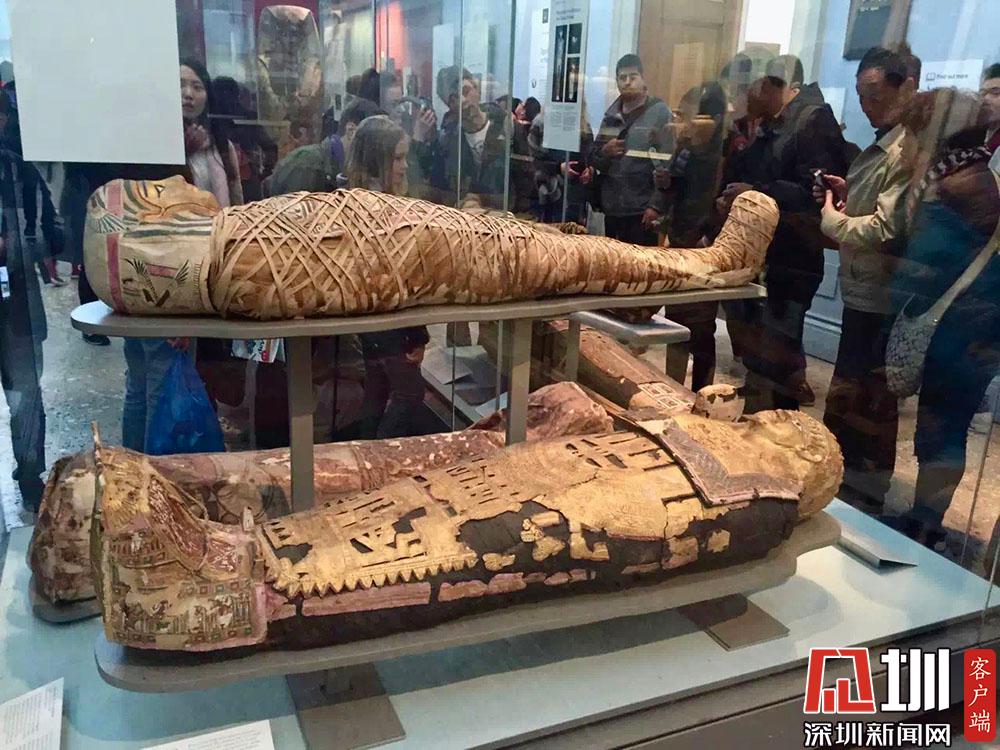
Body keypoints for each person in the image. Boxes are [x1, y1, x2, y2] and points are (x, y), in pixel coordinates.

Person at [887, 87, 1000, 549]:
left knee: (942, 430)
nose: (905, 146)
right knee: (948, 426)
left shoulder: (950, 190)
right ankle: (926, 520)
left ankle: (925, 526)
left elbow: (920, 270)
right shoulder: (979, 177)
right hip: (975, 327)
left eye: (912, 135)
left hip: (955, 331)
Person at [121, 60, 243, 454]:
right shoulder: (152, 146)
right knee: (154, 387)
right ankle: (145, 476)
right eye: (179, 85)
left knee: (149, 384)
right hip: (163, 283)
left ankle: (132, 468)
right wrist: (177, 306)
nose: (189, 94)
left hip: (199, 277)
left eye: (196, 86)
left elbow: (231, 212)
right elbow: (160, 226)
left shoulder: (218, 145)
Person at [815, 47, 918, 512]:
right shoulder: (889, 142)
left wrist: (834, 222)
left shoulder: (906, 148)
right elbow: (879, 206)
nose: (865, 105)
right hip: (865, 287)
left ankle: (863, 494)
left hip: (883, 291)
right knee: (853, 391)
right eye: (860, 95)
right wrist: (848, 193)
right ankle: (844, 482)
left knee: (870, 399)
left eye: (874, 94)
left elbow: (887, 228)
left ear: (907, 88)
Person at [722, 56, 852, 410]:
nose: (746, 94)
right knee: (766, 348)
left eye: (752, 86)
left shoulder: (812, 121)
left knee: (778, 353)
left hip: (795, 256)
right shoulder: (774, 124)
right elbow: (754, 167)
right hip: (773, 254)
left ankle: (778, 424)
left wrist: (757, 191)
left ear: (771, 84)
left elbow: (815, 195)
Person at [348, 116, 431, 439]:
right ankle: (377, 458)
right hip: (390, 322)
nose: (404, 166)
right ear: (376, 160)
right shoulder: (382, 210)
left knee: (377, 390)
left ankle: (365, 454)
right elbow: (397, 277)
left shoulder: (355, 200)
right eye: (397, 158)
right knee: (409, 393)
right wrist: (417, 334)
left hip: (371, 321)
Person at [0, 89, 46, 509]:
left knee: (25, 393)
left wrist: (17, 245)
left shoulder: (17, 169)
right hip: (15, 299)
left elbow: (51, 233)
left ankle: (30, 470)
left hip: (15, 299)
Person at [590, 54, 672, 246]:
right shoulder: (611, 115)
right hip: (612, 207)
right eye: (622, 77)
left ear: (643, 78)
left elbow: (668, 163)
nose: (627, 82)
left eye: (633, 77)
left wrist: (656, 206)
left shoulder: (660, 113)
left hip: (641, 210)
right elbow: (593, 157)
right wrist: (605, 151)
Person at [411, 66, 509, 209]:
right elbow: (433, 189)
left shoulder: (507, 129)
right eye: (453, 99)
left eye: (466, 91)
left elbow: (522, 192)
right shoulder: (447, 143)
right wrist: (419, 137)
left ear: (477, 89)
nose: (462, 100)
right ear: (449, 106)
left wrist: (482, 200)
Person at [267, 97, 383, 195]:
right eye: (375, 137)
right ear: (351, 130)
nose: (379, 146)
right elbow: (295, 212)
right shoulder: (307, 164)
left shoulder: (346, 167)